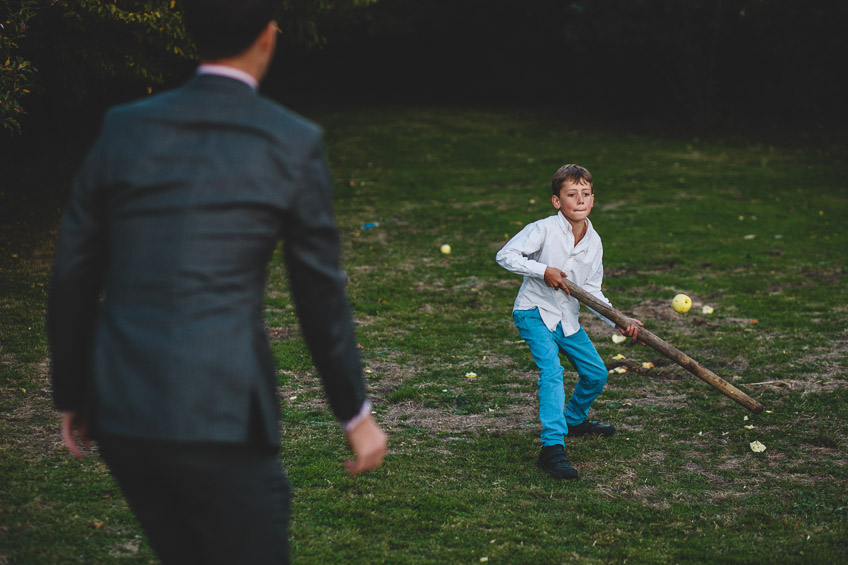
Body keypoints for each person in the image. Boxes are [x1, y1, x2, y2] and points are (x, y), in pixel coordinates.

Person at [47, 0, 387, 562]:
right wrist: (355, 412)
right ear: (266, 36)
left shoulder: (124, 126)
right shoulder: (290, 141)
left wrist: (73, 390)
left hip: (124, 406)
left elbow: (74, 271)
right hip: (222, 410)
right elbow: (318, 293)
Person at [496, 164, 641, 480]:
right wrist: (542, 269)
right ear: (556, 201)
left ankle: (574, 419)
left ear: (593, 198)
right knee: (552, 372)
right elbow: (506, 255)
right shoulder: (543, 229)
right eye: (571, 195)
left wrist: (617, 320)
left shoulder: (594, 242)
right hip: (534, 312)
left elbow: (591, 290)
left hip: (567, 321)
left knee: (596, 373)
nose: (579, 200)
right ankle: (552, 449)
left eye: (585, 194)